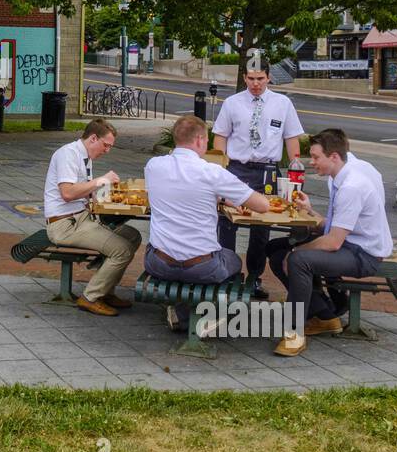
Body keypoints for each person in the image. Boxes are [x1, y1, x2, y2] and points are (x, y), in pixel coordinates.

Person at [271, 128, 393, 357]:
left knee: (298, 259)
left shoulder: (351, 186)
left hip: (364, 255)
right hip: (350, 243)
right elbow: (335, 227)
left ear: (334, 157)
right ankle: (325, 316)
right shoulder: (344, 175)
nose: (312, 162)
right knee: (276, 249)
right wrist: (310, 212)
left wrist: (296, 251)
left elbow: (333, 242)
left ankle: (294, 335)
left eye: (316, 157)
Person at [145, 115, 271, 330]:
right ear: (201, 140)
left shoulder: (153, 166)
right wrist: (226, 196)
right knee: (232, 259)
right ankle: (213, 315)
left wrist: (219, 196)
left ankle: (182, 313)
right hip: (202, 267)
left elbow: (183, 189)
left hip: (158, 264)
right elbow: (262, 205)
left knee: (159, 246)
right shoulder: (212, 172)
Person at [212, 55, 304, 299]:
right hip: (237, 168)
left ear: (269, 77)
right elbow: (220, 136)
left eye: (260, 79)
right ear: (244, 78)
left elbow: (292, 137)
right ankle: (227, 274)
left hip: (267, 171)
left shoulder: (282, 104)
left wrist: (296, 165)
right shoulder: (232, 103)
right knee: (227, 222)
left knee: (261, 226)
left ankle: (254, 278)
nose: (255, 84)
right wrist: (218, 168)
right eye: (251, 79)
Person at [43, 118, 142, 317]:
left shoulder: (84, 156)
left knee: (133, 236)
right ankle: (91, 297)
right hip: (65, 225)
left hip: (81, 218)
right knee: (121, 250)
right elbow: (68, 193)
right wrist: (100, 181)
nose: (107, 151)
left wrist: (109, 195)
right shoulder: (68, 154)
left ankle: (106, 290)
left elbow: (84, 192)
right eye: (106, 145)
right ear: (93, 138)